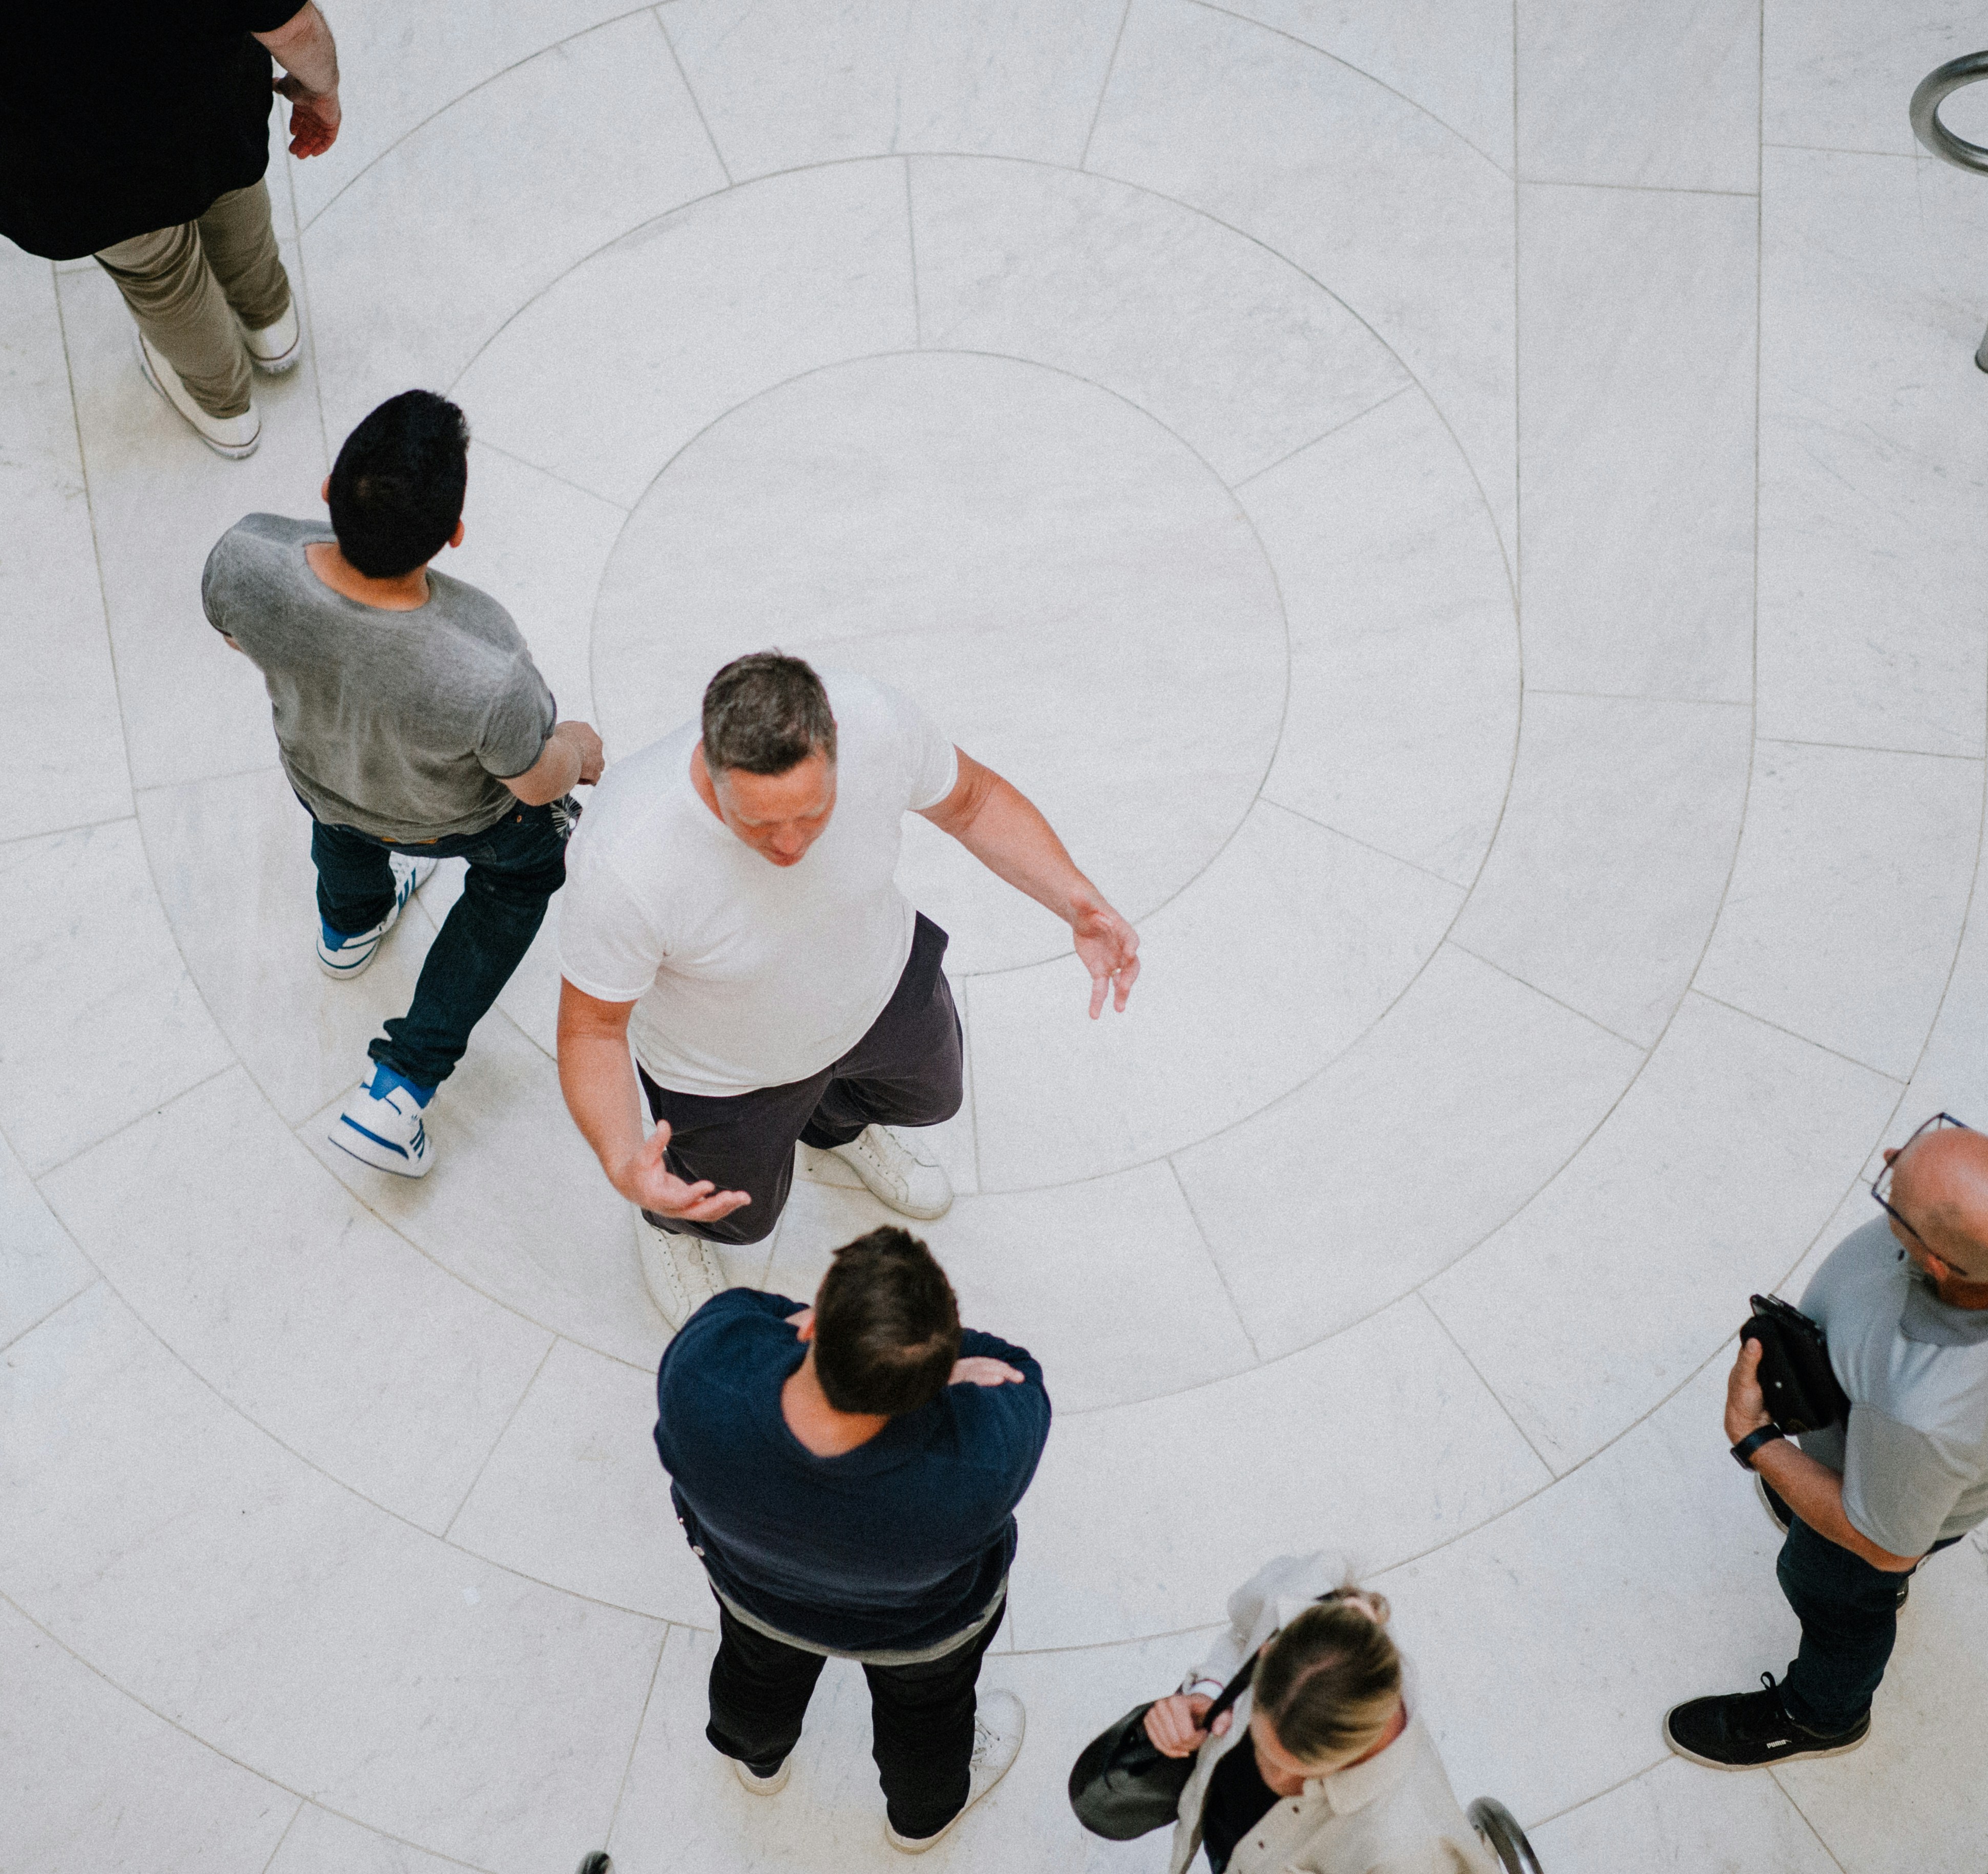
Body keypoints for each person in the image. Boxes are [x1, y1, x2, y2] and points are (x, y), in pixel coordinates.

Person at [553, 651, 1141, 1328]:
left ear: (838, 750)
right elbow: (591, 1028)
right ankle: (664, 1227)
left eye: (811, 812)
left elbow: (973, 801)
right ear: (709, 772)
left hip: (879, 988)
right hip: (723, 1073)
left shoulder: (875, 723)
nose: (789, 845)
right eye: (757, 824)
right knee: (737, 1221)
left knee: (930, 1095)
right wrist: (624, 1159)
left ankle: (835, 1129)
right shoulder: (625, 856)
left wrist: (1076, 900)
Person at [202, 389, 604, 1176]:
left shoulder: (244, 556)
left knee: (343, 828)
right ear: (453, 535)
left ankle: (349, 928)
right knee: (521, 880)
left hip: (322, 775)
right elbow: (532, 784)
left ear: (327, 487)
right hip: (460, 818)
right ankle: (400, 1085)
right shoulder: (486, 659)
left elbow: (234, 636)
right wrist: (577, 752)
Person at [1668, 1114, 1988, 1767]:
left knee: (1831, 1585)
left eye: (1894, 1196)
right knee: (1833, 1530)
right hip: (1907, 1464)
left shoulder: (1929, 1410)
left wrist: (1756, 1439)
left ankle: (1821, 1715)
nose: (1890, 1151)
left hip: (1897, 1500)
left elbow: (1882, 1544)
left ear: (1938, 1264)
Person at [653, 1228, 1049, 1853]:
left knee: (754, 1675)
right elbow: (1021, 1374)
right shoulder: (982, 1465)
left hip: (754, 1593)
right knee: (928, 1721)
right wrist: (939, 1364)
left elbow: (746, 1310)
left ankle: (760, 1760)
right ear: (934, 1381)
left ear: (809, 1328)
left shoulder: (704, 1380)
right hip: (923, 1630)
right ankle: (919, 1823)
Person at [0, 0, 345, 457]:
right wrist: (321, 90)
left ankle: (226, 405)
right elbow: (291, 26)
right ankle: (270, 321)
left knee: (160, 273)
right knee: (232, 191)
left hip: (72, 155)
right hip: (208, 100)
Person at [1130, 1552, 1491, 1874]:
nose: (1266, 1774)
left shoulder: (1408, 1853)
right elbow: (1242, 1635)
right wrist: (1213, 1690)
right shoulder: (1300, 1597)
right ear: (1268, 1654)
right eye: (1256, 1738)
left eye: (1291, 1769)